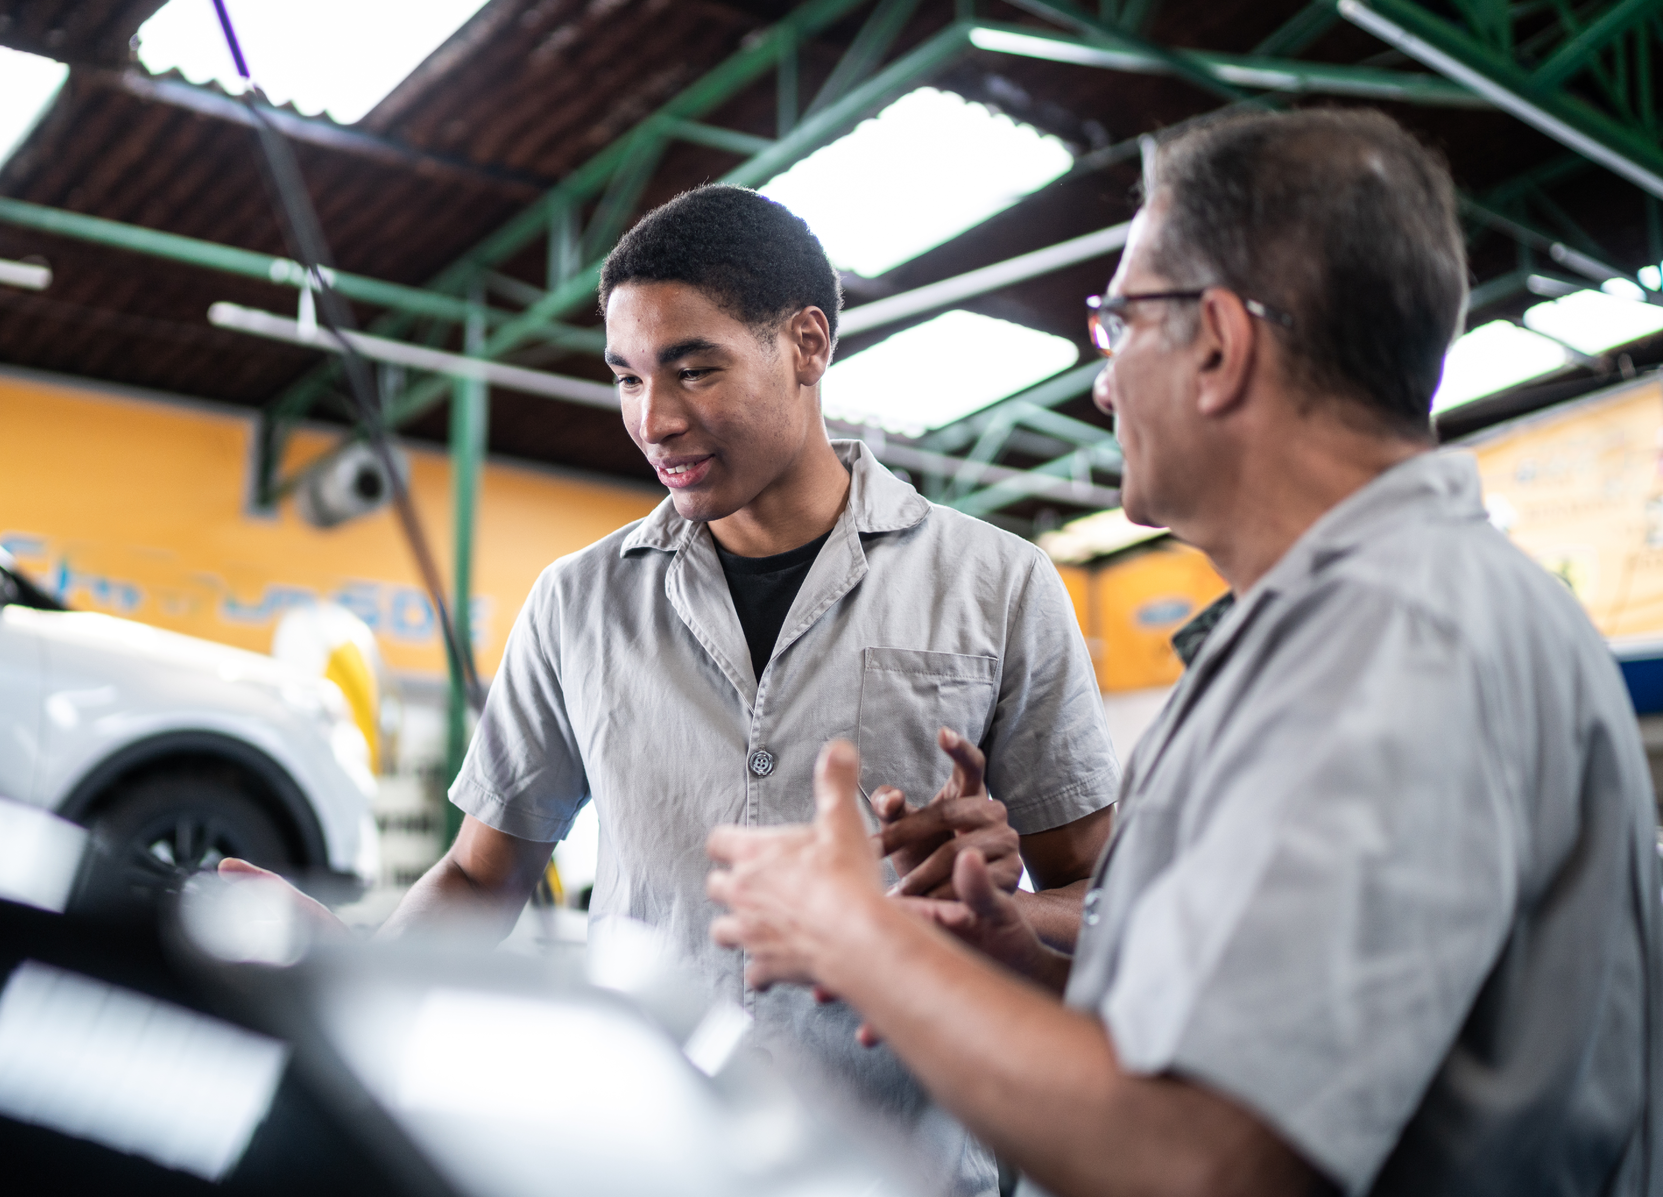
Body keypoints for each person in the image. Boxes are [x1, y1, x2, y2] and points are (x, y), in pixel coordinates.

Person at [707, 109, 1661, 1197]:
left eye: (1119, 321)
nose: (1103, 383)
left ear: (1218, 342)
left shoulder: (1391, 641)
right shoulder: (1365, 624)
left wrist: (861, 942)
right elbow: (1272, 1030)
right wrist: (1039, 968)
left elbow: (1212, 1158)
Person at [230, 185, 1121, 1194]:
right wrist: (349, 972)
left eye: (694, 369)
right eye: (625, 378)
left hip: (902, 1166)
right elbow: (485, 877)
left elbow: (1100, 904)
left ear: (807, 344)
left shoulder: (997, 585)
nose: (654, 421)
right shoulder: (577, 602)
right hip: (645, 1158)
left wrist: (987, 909)